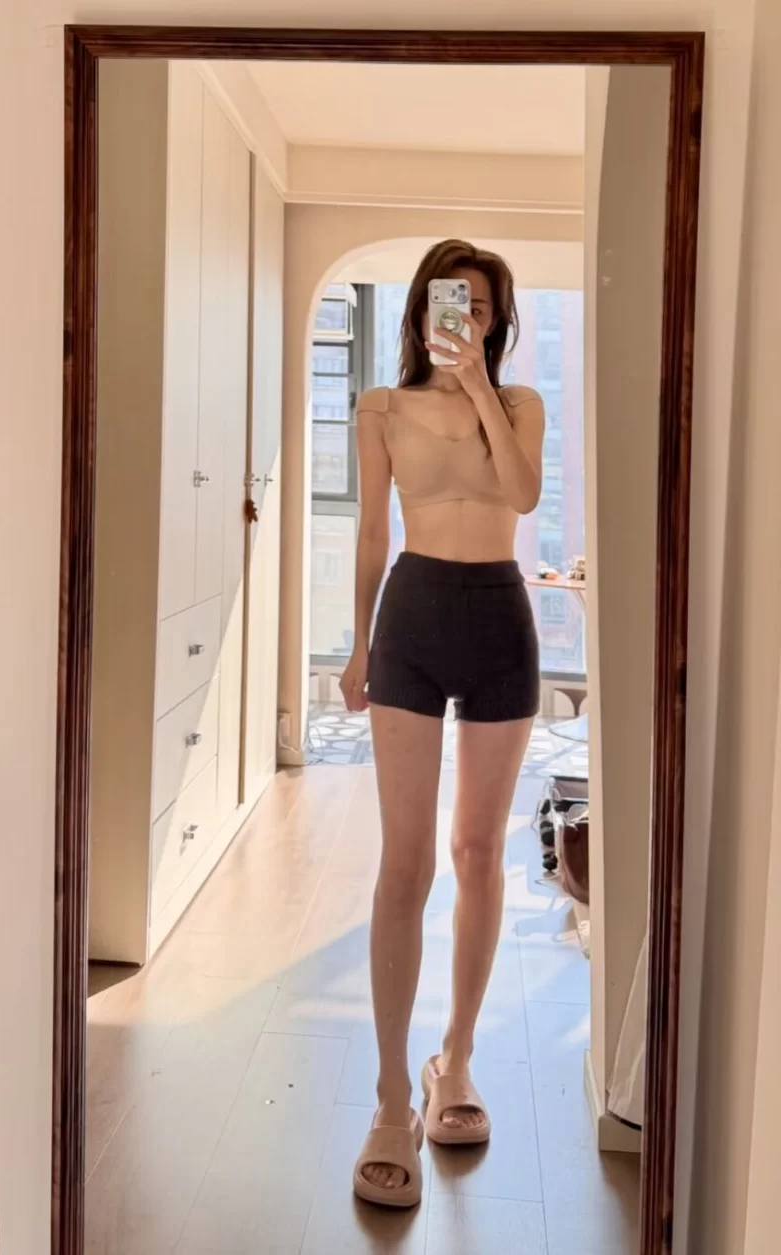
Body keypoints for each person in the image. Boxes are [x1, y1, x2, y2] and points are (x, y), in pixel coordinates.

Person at [344, 240, 545, 1208]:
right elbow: (372, 532)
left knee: (477, 852)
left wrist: (475, 391)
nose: (465, 315)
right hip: (413, 615)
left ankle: (454, 1061)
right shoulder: (379, 408)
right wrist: (354, 645)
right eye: (448, 299)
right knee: (405, 862)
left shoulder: (518, 404)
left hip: (500, 616)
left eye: (482, 305)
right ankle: (392, 1097)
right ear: (421, 309)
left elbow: (523, 493)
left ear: (496, 321)